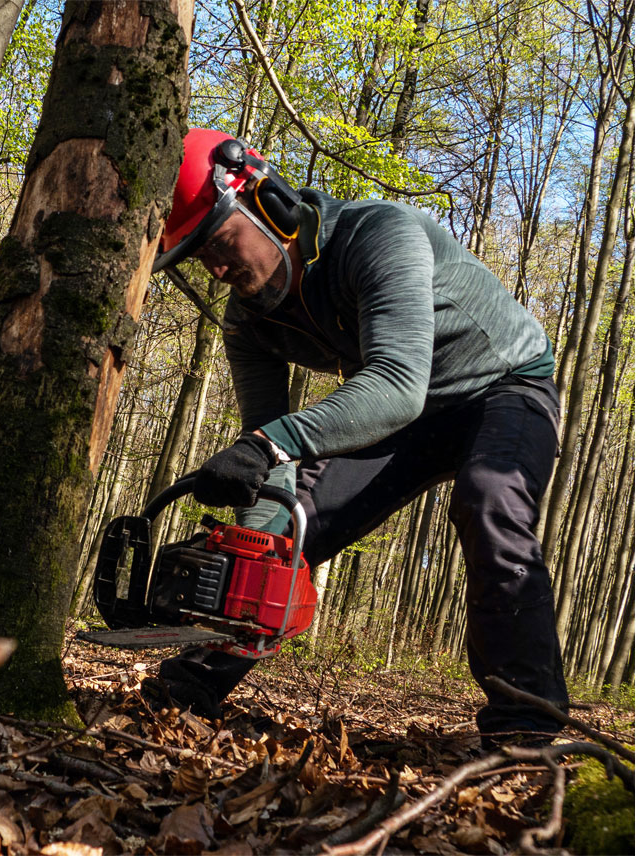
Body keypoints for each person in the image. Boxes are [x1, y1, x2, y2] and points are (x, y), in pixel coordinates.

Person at [147, 128, 569, 748]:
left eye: (219, 240)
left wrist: (269, 445)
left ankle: (527, 728)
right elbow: (271, 454)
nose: (216, 268)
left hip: (503, 386)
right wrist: (257, 504)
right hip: (409, 418)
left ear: (267, 202)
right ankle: (190, 686)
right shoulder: (248, 321)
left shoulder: (380, 235)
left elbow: (395, 384)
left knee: (490, 501)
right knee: (289, 524)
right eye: (197, 258)